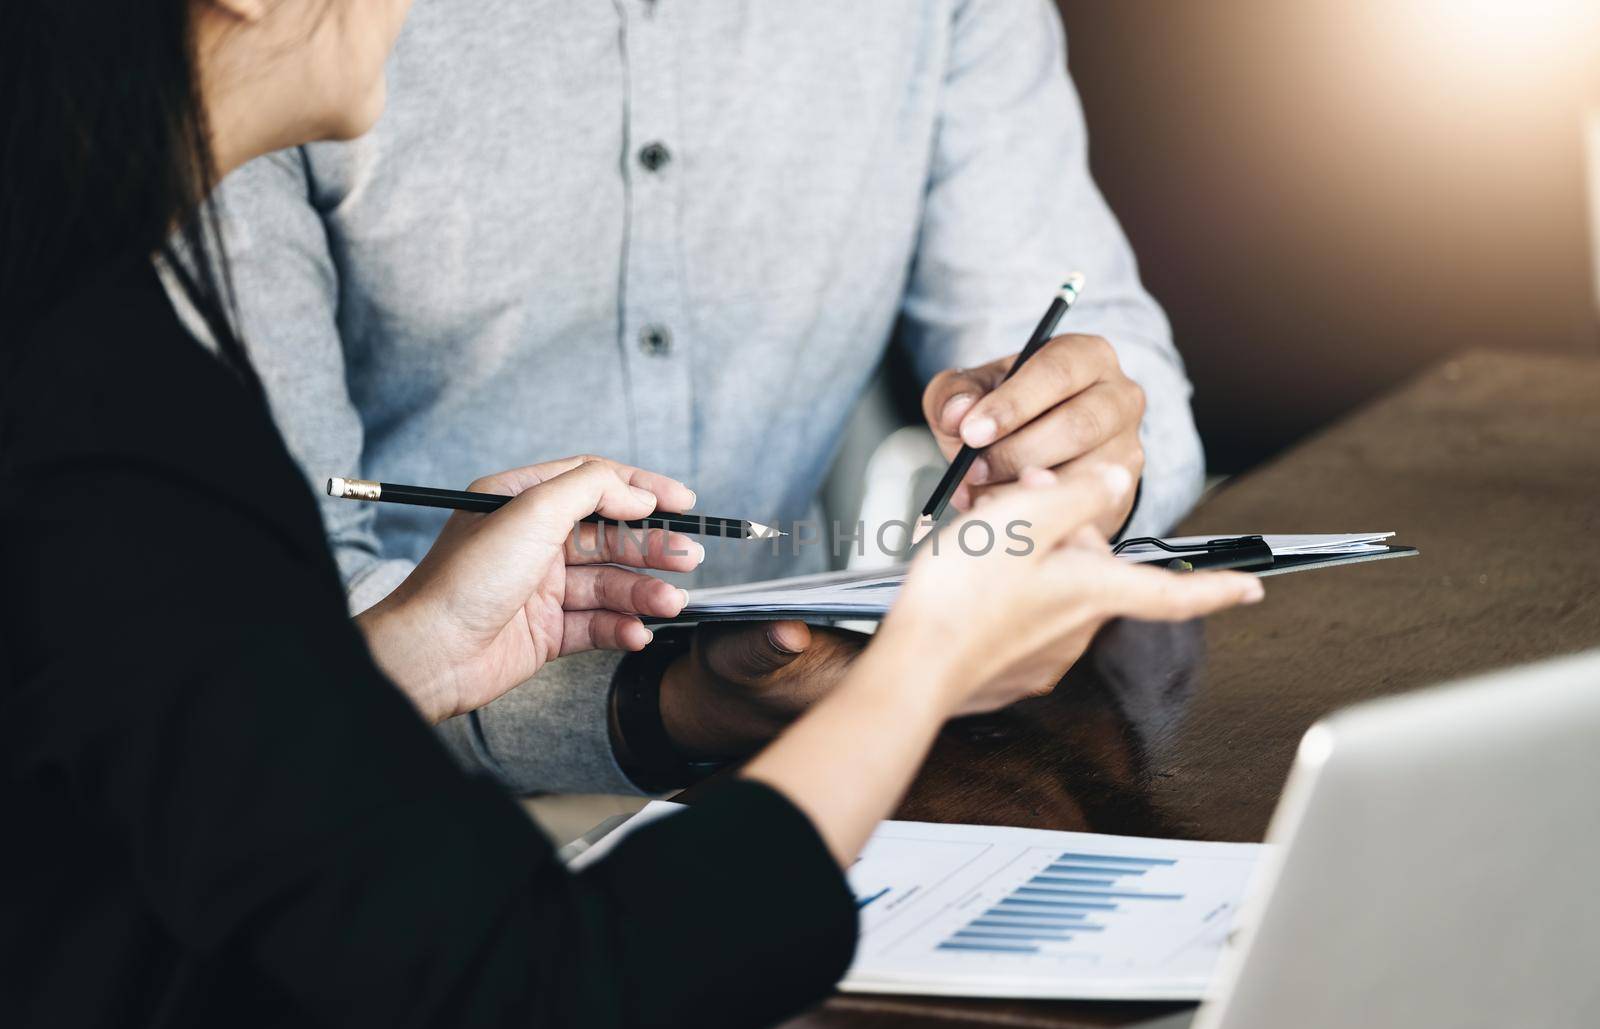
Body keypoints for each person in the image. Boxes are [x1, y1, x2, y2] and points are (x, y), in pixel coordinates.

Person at [1, 2, 1263, 1029]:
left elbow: (159, 720)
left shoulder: (94, 349)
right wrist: (922, 658)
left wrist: (405, 651)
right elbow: (541, 997)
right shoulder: (128, 409)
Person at [217, 0, 1208, 796]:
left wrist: (1087, 461)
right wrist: (671, 701)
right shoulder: (278, 42)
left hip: (829, 751)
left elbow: (1116, 367)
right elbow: (236, 621)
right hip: (377, 801)